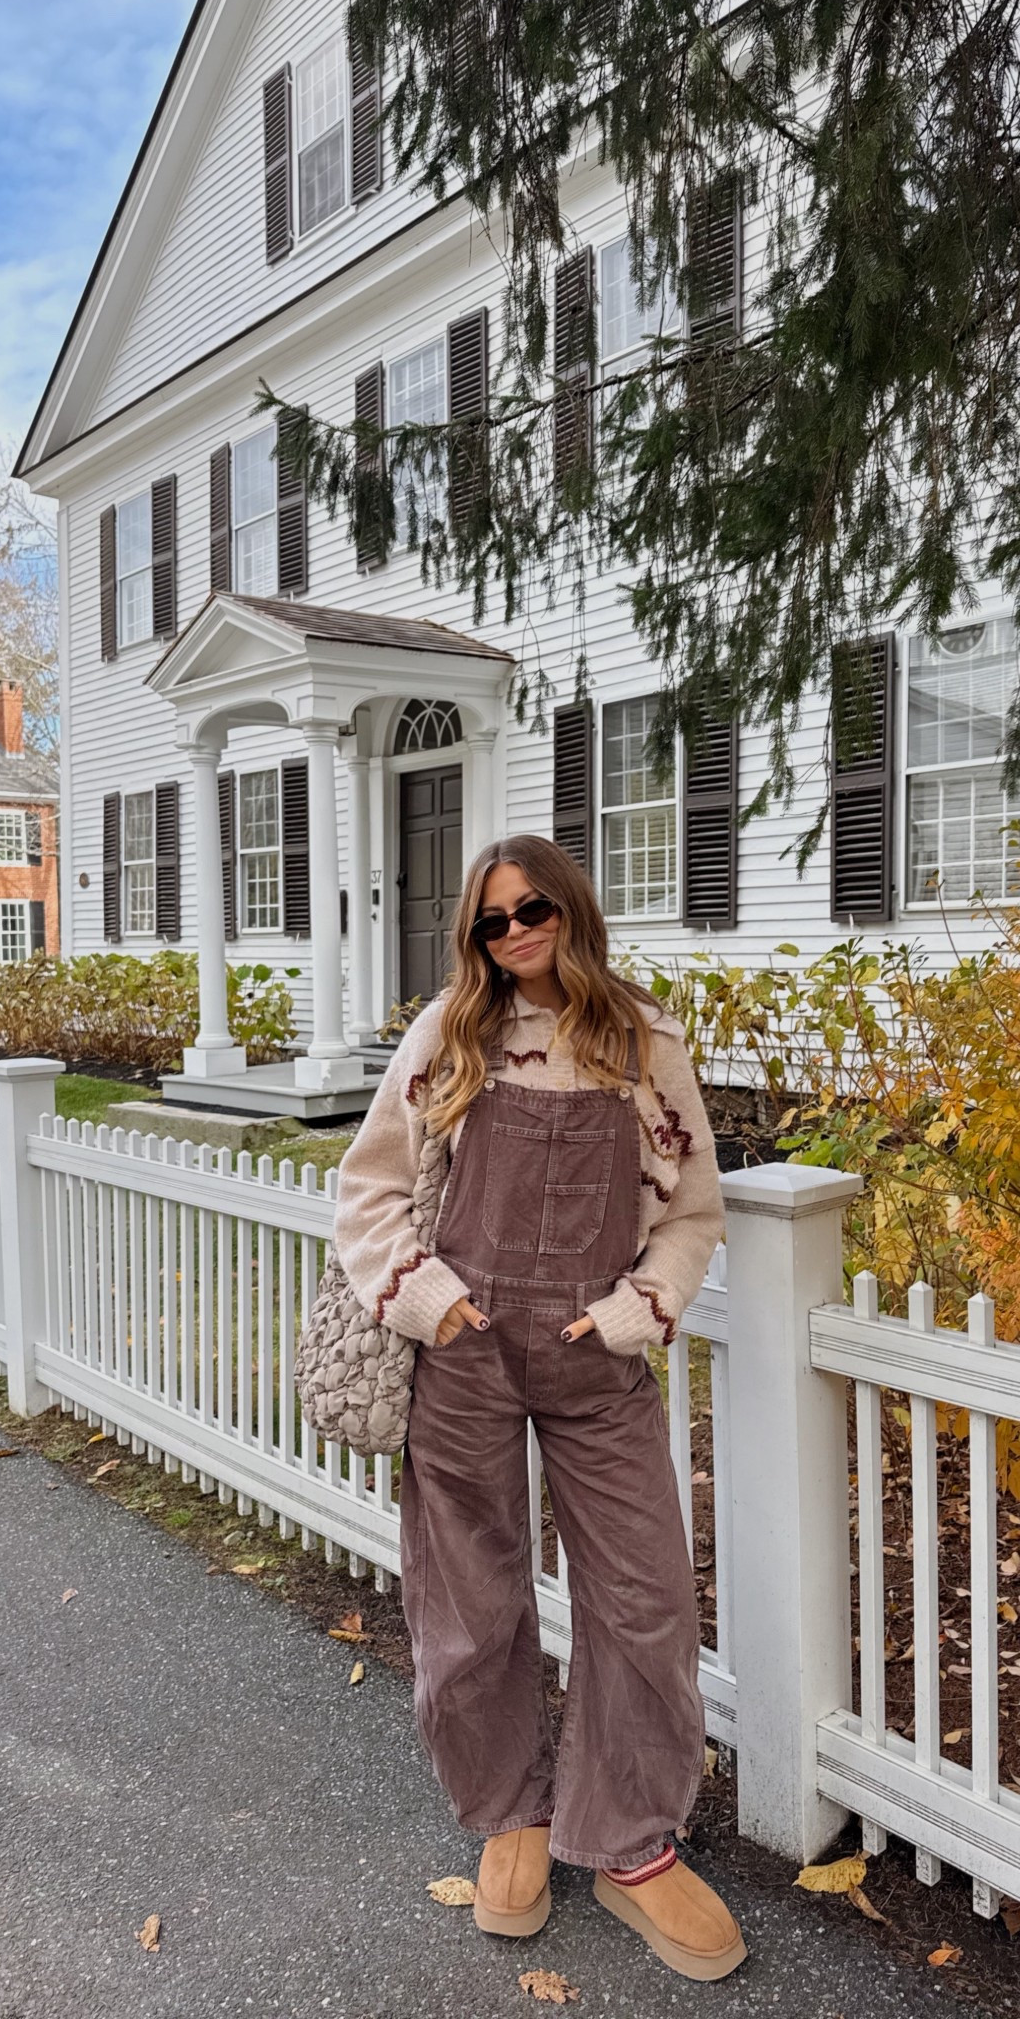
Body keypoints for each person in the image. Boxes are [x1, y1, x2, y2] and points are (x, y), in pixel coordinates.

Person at [333, 833, 745, 1981]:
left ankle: (627, 1838)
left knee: (646, 1593)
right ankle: (509, 1809)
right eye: (491, 922)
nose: (514, 934)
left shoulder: (640, 1038)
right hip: (462, 1349)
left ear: (570, 909)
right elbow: (369, 1189)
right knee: (468, 1594)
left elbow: (692, 1209)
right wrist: (426, 1296)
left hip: (592, 1355)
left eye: (532, 911)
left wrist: (639, 1309)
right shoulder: (450, 1036)